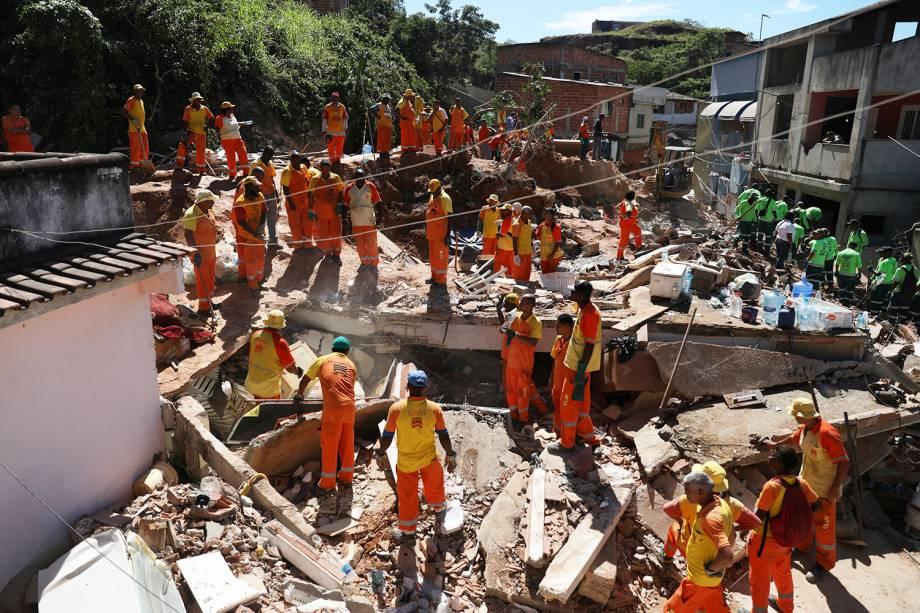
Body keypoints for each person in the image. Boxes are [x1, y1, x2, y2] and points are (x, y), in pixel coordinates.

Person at [763, 398, 850, 583]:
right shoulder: (806, 429)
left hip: (825, 491)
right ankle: (802, 547)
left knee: (824, 528)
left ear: (802, 416)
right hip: (807, 485)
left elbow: (844, 462)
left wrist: (834, 489)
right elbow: (794, 439)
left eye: (795, 414)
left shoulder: (827, 433)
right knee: (804, 520)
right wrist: (775, 444)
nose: (794, 417)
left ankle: (824, 564)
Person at [375, 370, 457, 544]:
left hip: (406, 462)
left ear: (408, 387)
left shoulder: (397, 408)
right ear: (425, 388)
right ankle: (440, 512)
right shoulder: (434, 408)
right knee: (434, 486)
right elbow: (443, 434)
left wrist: (381, 451)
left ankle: (408, 533)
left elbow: (388, 436)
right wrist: (450, 454)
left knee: (407, 496)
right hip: (429, 458)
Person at [744, 445, 819, 613]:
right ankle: (786, 607)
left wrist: (741, 527)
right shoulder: (801, 483)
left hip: (764, 543)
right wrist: (794, 520)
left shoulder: (772, 486)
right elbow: (816, 505)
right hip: (786, 540)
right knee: (783, 574)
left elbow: (759, 517)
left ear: (779, 462)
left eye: (773, 456)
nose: (769, 457)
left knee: (759, 580)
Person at [662, 472, 735, 613]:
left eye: (687, 491)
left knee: (673, 609)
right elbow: (732, 533)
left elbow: (728, 557)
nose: (685, 494)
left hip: (699, 580)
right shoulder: (722, 504)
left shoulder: (710, 518)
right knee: (716, 607)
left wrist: (709, 570)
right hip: (711, 581)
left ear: (700, 492)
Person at [296, 336, 357, 497]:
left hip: (333, 409)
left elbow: (305, 379)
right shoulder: (351, 364)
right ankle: (346, 478)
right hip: (350, 408)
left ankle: (328, 484)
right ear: (347, 351)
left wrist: (300, 395)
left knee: (330, 445)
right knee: (347, 443)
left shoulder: (323, 360)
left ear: (332, 349)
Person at [662, 461, 760, 562]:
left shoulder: (688, 500)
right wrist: (733, 529)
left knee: (673, 529)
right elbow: (754, 522)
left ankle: (667, 556)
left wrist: (680, 521)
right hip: (713, 553)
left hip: (690, 547)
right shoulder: (733, 505)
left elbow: (667, 509)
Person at [549, 281, 601, 453]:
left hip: (577, 369)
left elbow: (589, 345)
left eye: (573, 293)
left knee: (568, 406)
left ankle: (567, 443)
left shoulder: (590, 314)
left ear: (581, 295)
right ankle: (586, 437)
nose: (570, 295)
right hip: (579, 368)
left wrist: (580, 369)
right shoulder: (584, 311)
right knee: (580, 407)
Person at [244, 310, 301, 399]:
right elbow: (290, 368)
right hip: (268, 391)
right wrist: (298, 372)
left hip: (250, 385)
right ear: (281, 326)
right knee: (270, 411)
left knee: (254, 410)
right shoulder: (280, 343)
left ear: (267, 322)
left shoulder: (255, 335)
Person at [505, 294, 543, 425]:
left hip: (523, 365)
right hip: (512, 363)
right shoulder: (516, 317)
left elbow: (533, 342)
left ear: (531, 305)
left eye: (524, 303)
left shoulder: (536, 322)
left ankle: (523, 419)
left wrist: (516, 336)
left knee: (523, 393)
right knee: (511, 391)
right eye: (521, 302)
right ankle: (513, 415)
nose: (520, 305)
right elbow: (504, 328)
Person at [182, 190, 219, 314]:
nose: (213, 203)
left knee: (210, 278)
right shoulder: (191, 214)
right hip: (200, 254)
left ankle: (209, 302)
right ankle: (203, 308)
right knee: (203, 279)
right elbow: (188, 234)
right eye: (210, 201)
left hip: (211, 251)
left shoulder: (207, 210)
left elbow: (211, 224)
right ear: (203, 202)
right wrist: (195, 252)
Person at [343, 169, 382, 269]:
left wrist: (380, 216)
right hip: (356, 222)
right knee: (360, 244)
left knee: (371, 244)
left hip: (369, 221)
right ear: (354, 178)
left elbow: (378, 202)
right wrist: (343, 218)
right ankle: (364, 262)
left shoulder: (370, 186)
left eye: (362, 178)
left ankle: (373, 264)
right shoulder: (349, 188)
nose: (360, 180)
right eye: (358, 178)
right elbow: (345, 205)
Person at [307, 160, 346, 261]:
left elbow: (341, 191)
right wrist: (310, 209)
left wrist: (340, 204)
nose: (325, 171)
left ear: (330, 168)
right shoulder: (314, 179)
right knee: (324, 234)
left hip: (334, 213)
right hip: (321, 214)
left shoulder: (336, 177)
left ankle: (336, 255)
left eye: (327, 169)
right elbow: (310, 195)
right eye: (323, 169)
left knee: (336, 234)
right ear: (320, 169)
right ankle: (327, 254)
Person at [234, 176, 268, 290]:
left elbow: (264, 211)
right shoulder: (240, 203)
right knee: (251, 262)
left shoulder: (260, 196)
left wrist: (261, 226)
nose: (259, 187)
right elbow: (241, 222)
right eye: (256, 185)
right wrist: (254, 232)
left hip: (259, 234)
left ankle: (259, 280)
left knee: (261, 259)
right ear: (248, 187)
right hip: (248, 237)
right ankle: (252, 285)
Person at [281, 151, 313, 250]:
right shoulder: (287, 171)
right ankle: (298, 246)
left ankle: (307, 244)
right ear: (291, 160)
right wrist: (291, 203)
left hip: (304, 201)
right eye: (294, 160)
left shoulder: (303, 167)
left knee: (307, 223)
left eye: (298, 160)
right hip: (294, 203)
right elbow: (285, 189)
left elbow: (307, 181)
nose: (297, 162)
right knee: (295, 225)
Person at [549, 313, 575, 436]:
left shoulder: (574, 343)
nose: (556, 328)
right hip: (557, 382)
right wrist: (551, 378)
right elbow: (555, 360)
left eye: (559, 325)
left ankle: (567, 435)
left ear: (568, 327)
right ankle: (558, 431)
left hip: (568, 382)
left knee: (567, 409)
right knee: (557, 408)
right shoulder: (558, 340)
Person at [177, 92, 213, 173]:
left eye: (199, 99)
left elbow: (211, 117)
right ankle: (179, 166)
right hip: (191, 132)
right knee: (182, 146)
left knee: (201, 152)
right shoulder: (188, 109)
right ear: (192, 101)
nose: (198, 101)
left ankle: (201, 170)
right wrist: (184, 133)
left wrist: (207, 126)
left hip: (201, 134)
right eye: (196, 99)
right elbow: (185, 122)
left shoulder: (204, 108)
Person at [425, 179, 452, 285]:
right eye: (431, 192)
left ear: (440, 188)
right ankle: (434, 277)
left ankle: (441, 280)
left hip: (441, 235)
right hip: (432, 234)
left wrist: (448, 235)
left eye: (434, 191)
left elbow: (450, 218)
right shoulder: (432, 195)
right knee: (433, 257)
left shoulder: (445, 199)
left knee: (441, 258)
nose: (432, 193)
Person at [250, 147, 279, 245]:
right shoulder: (255, 164)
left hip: (271, 193)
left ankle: (273, 239)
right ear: (264, 153)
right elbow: (251, 181)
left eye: (271, 155)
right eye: (268, 154)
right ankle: (260, 239)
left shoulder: (270, 163)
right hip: (261, 195)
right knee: (261, 218)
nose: (269, 157)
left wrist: (276, 193)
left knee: (272, 217)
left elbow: (271, 178)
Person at [215, 101, 250, 179]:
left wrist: (241, 123)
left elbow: (235, 124)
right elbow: (217, 130)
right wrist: (221, 138)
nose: (232, 110)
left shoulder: (232, 116)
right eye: (230, 109)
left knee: (243, 154)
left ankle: (246, 173)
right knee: (231, 158)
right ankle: (232, 175)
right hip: (227, 141)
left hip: (238, 139)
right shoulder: (219, 118)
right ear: (226, 110)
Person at [496, 292, 520, 394]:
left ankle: (509, 396)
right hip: (509, 352)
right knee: (507, 376)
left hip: (512, 352)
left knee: (511, 377)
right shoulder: (513, 314)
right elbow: (504, 325)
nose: (504, 305)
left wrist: (499, 310)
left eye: (506, 303)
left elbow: (503, 328)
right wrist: (498, 310)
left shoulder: (514, 316)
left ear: (513, 305)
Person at [887, 253, 917, 324]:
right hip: (909, 293)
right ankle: (902, 324)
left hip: (898, 293)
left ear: (904, 259)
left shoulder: (900, 269)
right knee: (904, 308)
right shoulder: (915, 269)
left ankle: (892, 323)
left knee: (893, 308)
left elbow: (896, 282)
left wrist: (890, 291)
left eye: (901, 258)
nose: (900, 259)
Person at [121, 87, 146, 167]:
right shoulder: (131, 100)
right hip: (134, 130)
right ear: (135, 91)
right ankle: (134, 168)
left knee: (145, 149)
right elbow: (124, 112)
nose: (141, 92)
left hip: (142, 129)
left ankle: (142, 166)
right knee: (136, 149)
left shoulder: (141, 101)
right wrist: (133, 119)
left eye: (142, 91)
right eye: (139, 91)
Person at [868, 246, 897, 316]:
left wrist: (871, 270)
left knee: (876, 298)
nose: (880, 254)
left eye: (882, 252)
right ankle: (882, 313)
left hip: (881, 282)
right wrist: (872, 278)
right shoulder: (891, 260)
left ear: (888, 253)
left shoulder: (886, 262)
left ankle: (874, 313)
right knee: (884, 298)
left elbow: (879, 274)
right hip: (889, 282)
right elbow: (878, 269)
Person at [322, 91, 348, 164]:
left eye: (336, 97)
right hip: (330, 131)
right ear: (331, 98)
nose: (334, 99)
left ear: (338, 98)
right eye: (333, 97)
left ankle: (338, 160)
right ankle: (332, 161)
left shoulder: (342, 107)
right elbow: (325, 119)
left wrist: (345, 128)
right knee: (330, 147)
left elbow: (345, 118)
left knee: (339, 147)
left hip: (340, 131)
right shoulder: (327, 107)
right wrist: (323, 129)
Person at [511, 205, 535, 282]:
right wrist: (516, 255)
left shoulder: (528, 222)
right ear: (524, 213)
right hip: (520, 254)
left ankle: (525, 286)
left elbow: (530, 235)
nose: (531, 216)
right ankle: (519, 289)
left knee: (527, 272)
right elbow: (514, 240)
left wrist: (532, 246)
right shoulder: (517, 225)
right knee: (519, 273)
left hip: (528, 252)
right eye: (529, 214)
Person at [616, 190, 642, 261]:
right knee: (624, 240)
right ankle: (619, 256)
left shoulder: (625, 201)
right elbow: (628, 212)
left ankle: (639, 247)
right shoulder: (628, 203)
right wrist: (628, 216)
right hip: (626, 224)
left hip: (630, 223)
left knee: (637, 231)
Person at [834, 241, 862, 306]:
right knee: (850, 289)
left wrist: (836, 271)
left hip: (842, 274)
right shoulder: (856, 254)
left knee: (841, 287)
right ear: (855, 247)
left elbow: (837, 263)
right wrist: (859, 273)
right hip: (851, 275)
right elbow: (859, 266)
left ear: (848, 245)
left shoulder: (841, 253)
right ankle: (847, 302)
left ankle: (841, 300)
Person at [537, 208, 564, 273]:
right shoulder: (541, 225)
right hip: (544, 255)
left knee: (551, 275)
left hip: (553, 256)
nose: (545, 214)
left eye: (547, 213)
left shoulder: (555, 227)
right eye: (545, 213)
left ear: (552, 216)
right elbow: (538, 237)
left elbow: (558, 242)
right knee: (544, 274)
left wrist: (552, 254)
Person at [370, 94, 394, 159]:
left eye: (389, 99)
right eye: (387, 99)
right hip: (382, 125)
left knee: (387, 140)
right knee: (382, 139)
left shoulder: (387, 106)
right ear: (383, 99)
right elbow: (371, 109)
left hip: (388, 126)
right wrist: (377, 116)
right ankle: (381, 153)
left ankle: (386, 152)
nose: (388, 100)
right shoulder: (379, 105)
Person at [494, 204, 515, 275]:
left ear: (508, 211)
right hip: (511, 247)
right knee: (509, 264)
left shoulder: (507, 220)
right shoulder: (514, 219)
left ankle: (495, 276)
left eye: (504, 210)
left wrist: (497, 234)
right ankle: (509, 277)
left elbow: (502, 235)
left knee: (498, 262)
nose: (502, 211)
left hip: (503, 246)